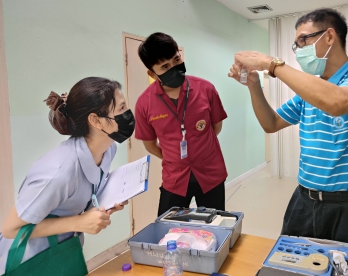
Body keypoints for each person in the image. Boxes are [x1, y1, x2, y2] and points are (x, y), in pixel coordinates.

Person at [228, 8, 348, 256]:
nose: (299, 49)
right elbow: (270, 123)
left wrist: (273, 65)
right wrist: (254, 86)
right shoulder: (309, 92)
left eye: (303, 39)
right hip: (303, 201)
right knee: (291, 269)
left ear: (329, 37)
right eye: (296, 45)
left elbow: (337, 102)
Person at [0, 77, 134, 274]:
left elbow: (84, 194)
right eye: (121, 108)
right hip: (30, 262)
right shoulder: (57, 174)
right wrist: (78, 222)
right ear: (96, 120)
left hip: (65, 253)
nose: (128, 114)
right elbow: (11, 229)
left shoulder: (108, 149)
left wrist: (110, 201)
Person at [135, 32, 228, 216]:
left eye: (176, 60)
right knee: (169, 232)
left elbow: (216, 127)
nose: (174, 67)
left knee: (216, 230)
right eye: (165, 66)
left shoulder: (206, 89)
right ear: (152, 73)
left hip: (211, 175)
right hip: (175, 180)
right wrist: (174, 157)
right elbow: (150, 145)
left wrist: (198, 149)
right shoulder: (144, 103)